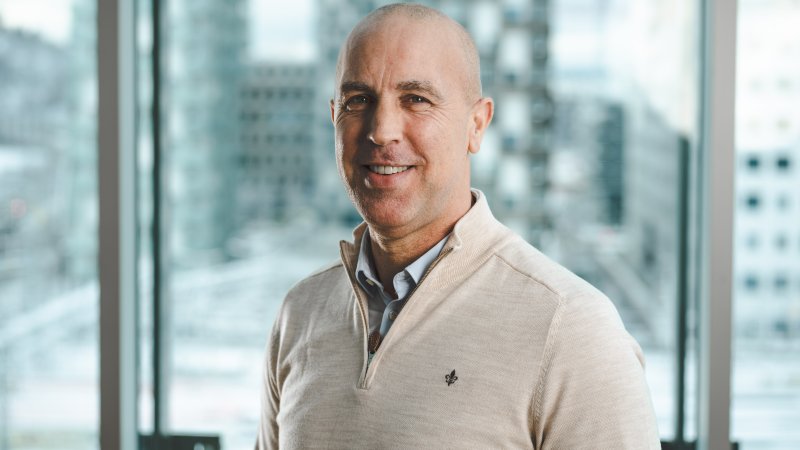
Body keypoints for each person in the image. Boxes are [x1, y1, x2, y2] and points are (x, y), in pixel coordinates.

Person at [257, 3, 660, 449]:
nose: (382, 131)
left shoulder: (571, 328)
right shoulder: (300, 313)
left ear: (477, 124)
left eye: (416, 99)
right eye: (358, 101)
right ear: (334, 116)